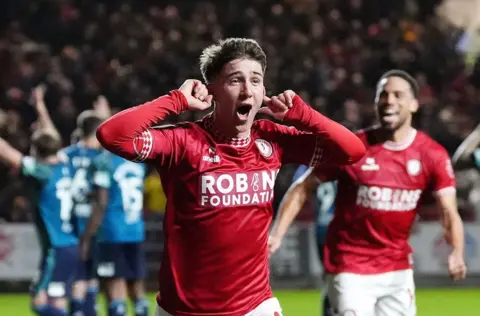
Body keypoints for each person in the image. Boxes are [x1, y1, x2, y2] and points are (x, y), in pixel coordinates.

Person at [96, 37, 366, 316]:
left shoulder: (273, 139)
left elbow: (352, 151)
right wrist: (175, 100)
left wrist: (305, 116)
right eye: (236, 80)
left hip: (254, 306)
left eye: (256, 80)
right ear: (212, 90)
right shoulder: (184, 141)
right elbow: (111, 135)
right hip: (183, 310)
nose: (248, 90)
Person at [269, 70, 467, 316]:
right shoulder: (353, 147)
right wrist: (276, 234)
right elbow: (303, 187)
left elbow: (449, 212)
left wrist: (457, 253)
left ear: (414, 104)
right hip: (349, 266)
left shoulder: (432, 154)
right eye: (383, 95)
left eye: (398, 95)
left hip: (397, 270)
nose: (389, 101)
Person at [0, 112, 78, 315]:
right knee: (57, 299)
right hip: (68, 244)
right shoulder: (65, 164)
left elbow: (7, 152)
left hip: (56, 247)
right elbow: (52, 138)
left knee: (40, 302)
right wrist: (41, 109)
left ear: (36, 151)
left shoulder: (41, 171)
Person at [80, 151, 148, 316]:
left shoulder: (103, 162)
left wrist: (87, 236)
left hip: (112, 232)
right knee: (136, 284)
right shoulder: (139, 162)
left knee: (114, 283)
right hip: (135, 230)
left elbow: (102, 202)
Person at [62, 96, 110, 316]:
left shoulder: (65, 155)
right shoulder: (101, 158)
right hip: (92, 224)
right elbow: (101, 199)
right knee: (89, 278)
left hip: (66, 222)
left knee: (75, 278)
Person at [270, 164, 336, 316]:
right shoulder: (351, 159)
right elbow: (300, 186)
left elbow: (298, 184)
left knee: (331, 279)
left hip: (322, 227)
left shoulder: (316, 163)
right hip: (339, 229)